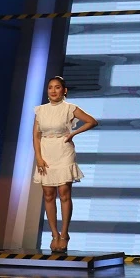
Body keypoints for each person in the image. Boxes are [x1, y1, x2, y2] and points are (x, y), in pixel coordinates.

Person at [33, 76, 97, 253]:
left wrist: (73, 133)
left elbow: (92, 121)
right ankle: (54, 234)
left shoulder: (70, 108)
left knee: (64, 193)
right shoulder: (40, 110)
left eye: (57, 87)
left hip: (63, 151)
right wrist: (38, 157)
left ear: (64, 90)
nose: (53, 91)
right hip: (46, 152)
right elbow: (36, 136)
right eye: (50, 87)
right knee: (48, 194)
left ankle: (64, 234)